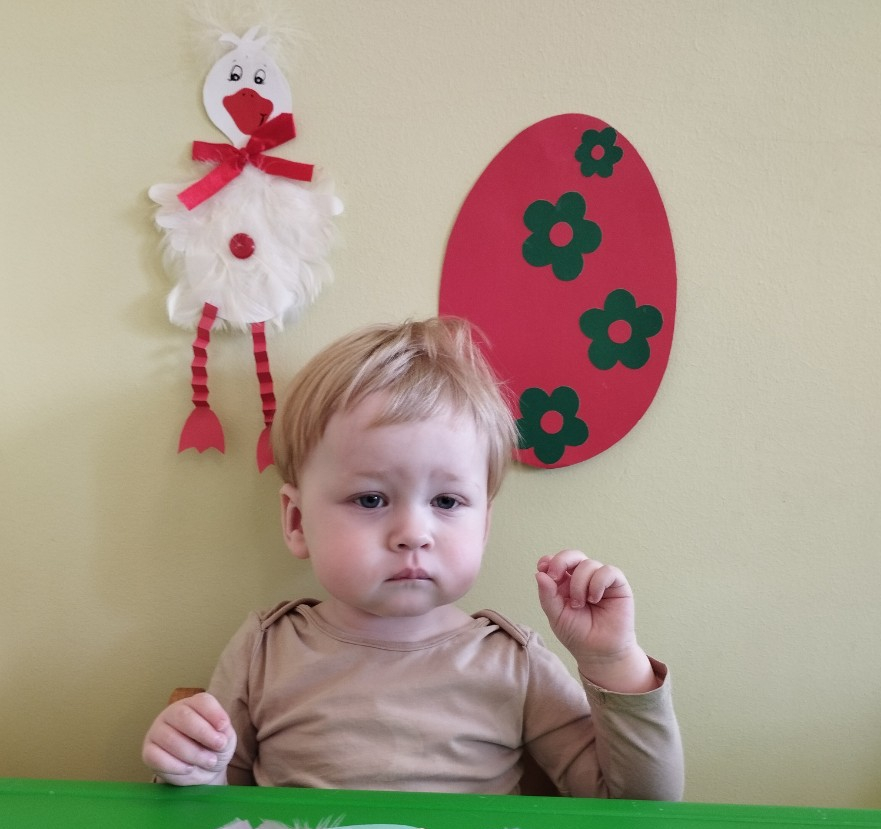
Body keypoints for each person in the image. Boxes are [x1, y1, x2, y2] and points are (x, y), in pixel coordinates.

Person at [142, 317, 683, 800]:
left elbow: (638, 805)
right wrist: (194, 770)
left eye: (446, 502)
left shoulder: (513, 662)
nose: (413, 534)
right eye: (370, 500)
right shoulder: (265, 651)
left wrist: (612, 661)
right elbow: (221, 816)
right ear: (297, 521)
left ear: (484, 525)